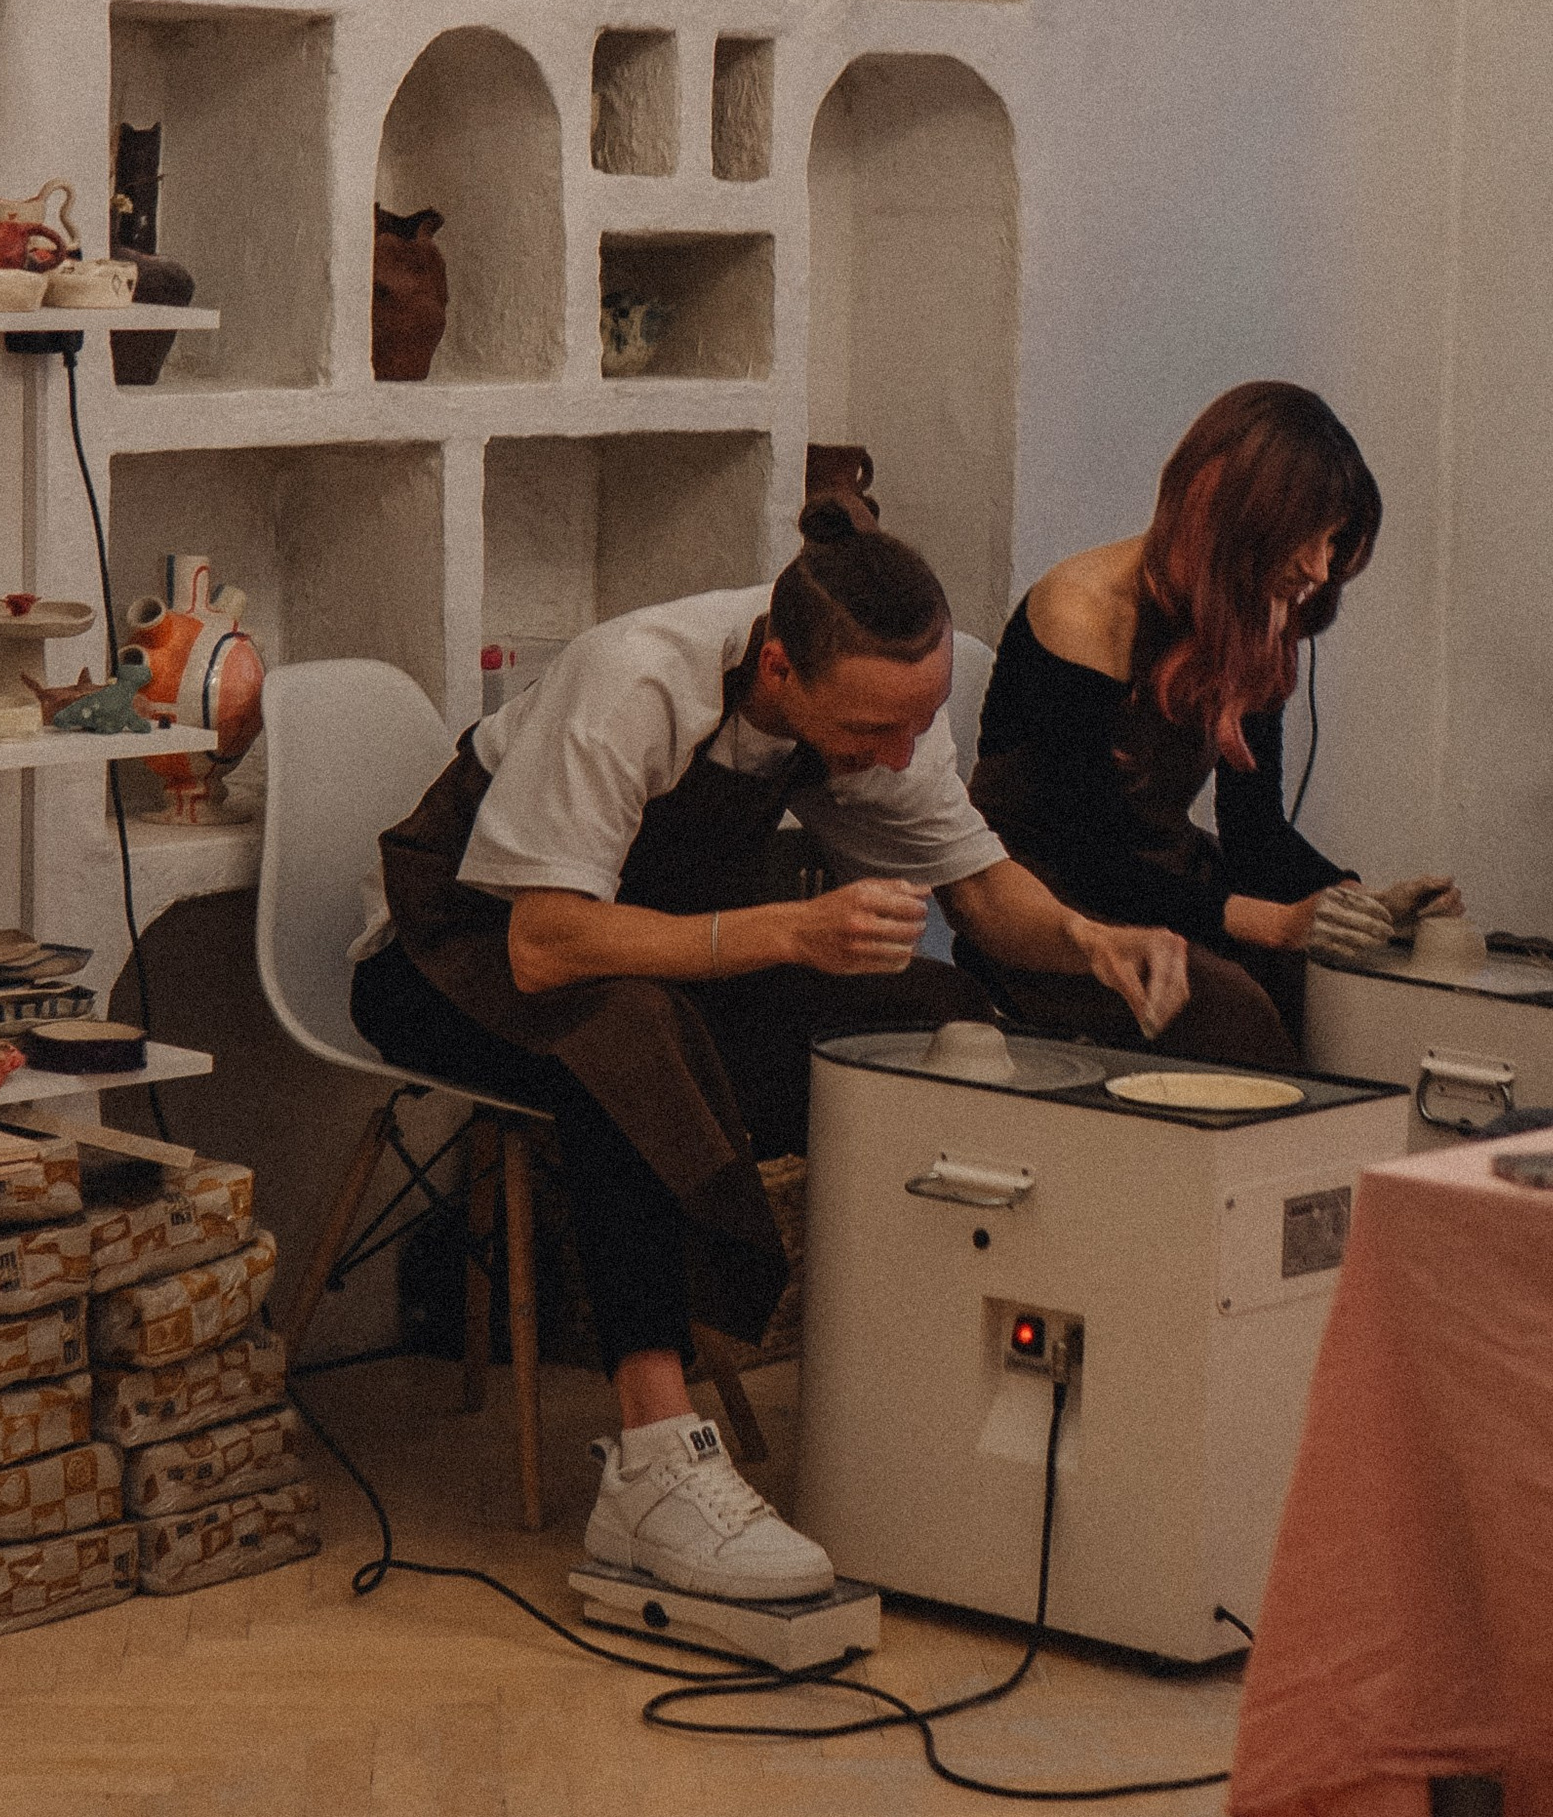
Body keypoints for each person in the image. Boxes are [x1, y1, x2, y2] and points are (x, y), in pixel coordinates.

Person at [349, 505, 1191, 1600]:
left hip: (649, 956)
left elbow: (980, 892)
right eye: (873, 733)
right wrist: (791, 931)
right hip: (443, 955)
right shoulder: (635, 682)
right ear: (782, 670)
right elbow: (547, 943)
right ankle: (652, 1470)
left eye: (916, 725)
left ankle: (927, 1390)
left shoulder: (885, 700)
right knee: (626, 1041)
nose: (898, 756)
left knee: (936, 1018)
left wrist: (1086, 938)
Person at [966, 380, 1456, 1062]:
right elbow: (1092, 860)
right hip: (1055, 903)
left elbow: (1255, 832)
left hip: (1161, 877)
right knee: (1237, 1018)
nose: (1318, 568)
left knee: (1345, 987)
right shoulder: (1082, 613)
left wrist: (1353, 902)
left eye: (1333, 541)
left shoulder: (1253, 614)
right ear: (1234, 515)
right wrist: (1279, 923)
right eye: (1304, 539)